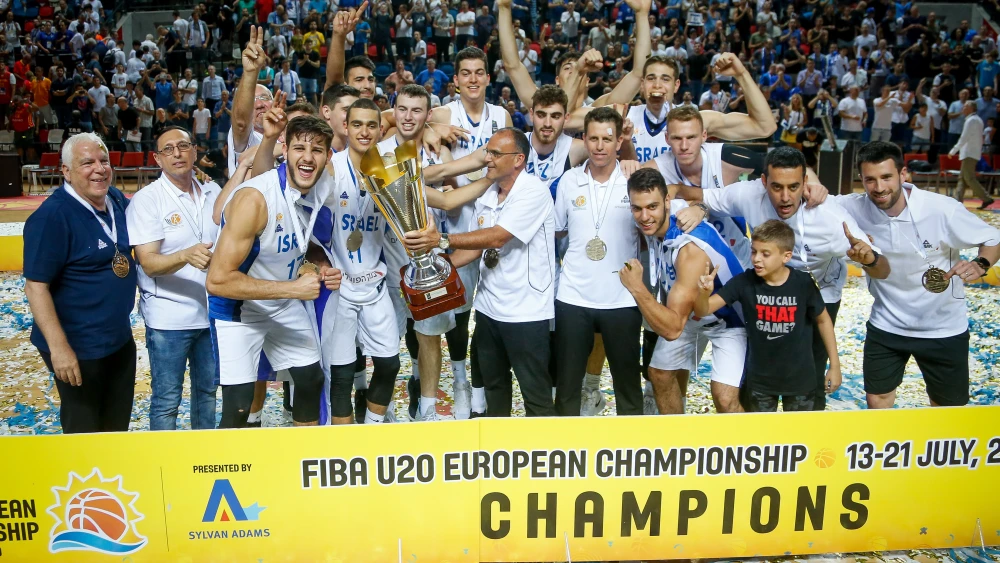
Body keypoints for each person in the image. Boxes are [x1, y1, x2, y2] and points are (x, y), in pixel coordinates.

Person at [677, 146, 890, 409]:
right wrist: (700, 207)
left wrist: (867, 259)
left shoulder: (830, 219)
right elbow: (697, 194)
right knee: (761, 358)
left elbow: (882, 268)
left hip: (819, 291)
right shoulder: (749, 194)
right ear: (763, 182)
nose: (786, 197)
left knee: (809, 372)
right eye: (777, 187)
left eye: (793, 187)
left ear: (806, 184)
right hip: (766, 287)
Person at [834, 141, 1000, 408]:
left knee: (948, 408)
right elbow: (812, 196)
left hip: (943, 327)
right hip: (886, 323)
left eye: (887, 177)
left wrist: (981, 264)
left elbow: (993, 237)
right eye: (870, 180)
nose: (879, 188)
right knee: (877, 398)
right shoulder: (852, 207)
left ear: (903, 174)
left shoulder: (941, 208)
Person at [404, 127, 557, 417]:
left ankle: (543, 455)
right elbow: (475, 249)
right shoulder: (488, 194)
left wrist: (442, 240)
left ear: (518, 159)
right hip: (488, 310)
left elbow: (497, 237)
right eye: (487, 151)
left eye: (496, 153)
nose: (488, 158)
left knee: (534, 394)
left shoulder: (533, 192)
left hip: (526, 312)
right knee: (493, 390)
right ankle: (499, 454)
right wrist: (435, 269)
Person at [206, 115, 340, 428]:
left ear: (327, 156)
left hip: (282, 302)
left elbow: (304, 241)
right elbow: (217, 280)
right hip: (238, 308)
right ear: (286, 150)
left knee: (310, 379)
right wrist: (292, 290)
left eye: (317, 150)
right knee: (238, 407)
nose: (308, 157)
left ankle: (302, 461)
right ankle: (239, 470)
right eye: (299, 148)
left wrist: (321, 264)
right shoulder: (255, 199)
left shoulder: (323, 187)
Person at [375, 84, 493, 421]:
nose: (408, 116)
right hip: (391, 267)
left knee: (430, 339)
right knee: (387, 348)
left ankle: (426, 410)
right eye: (402, 109)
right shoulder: (378, 155)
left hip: (432, 265)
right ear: (393, 112)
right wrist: (489, 180)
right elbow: (443, 196)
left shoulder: (439, 150)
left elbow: (451, 193)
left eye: (417, 111)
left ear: (428, 114)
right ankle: (379, 411)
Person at [23, 133, 137, 433]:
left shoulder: (115, 200)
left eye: (104, 161)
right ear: (66, 171)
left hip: (118, 338)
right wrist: (59, 349)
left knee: (116, 422)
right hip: (77, 345)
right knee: (84, 426)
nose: (99, 169)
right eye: (87, 163)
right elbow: (36, 286)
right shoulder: (52, 217)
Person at [428, 47, 513, 416]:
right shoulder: (445, 112)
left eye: (480, 72)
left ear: (488, 78)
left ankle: (483, 384)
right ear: (457, 80)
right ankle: (461, 380)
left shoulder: (502, 115)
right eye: (466, 73)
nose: (474, 79)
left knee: (491, 312)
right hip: (459, 219)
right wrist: (435, 126)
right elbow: (397, 117)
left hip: (494, 220)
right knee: (459, 313)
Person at [126, 126, 220, 430]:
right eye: (168, 149)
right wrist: (184, 255)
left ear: (195, 151)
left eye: (183, 146)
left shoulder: (212, 191)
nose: (177, 154)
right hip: (169, 319)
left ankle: (203, 459)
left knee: (207, 393)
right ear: (157, 158)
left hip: (211, 314)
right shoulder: (147, 200)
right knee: (167, 399)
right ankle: (163, 470)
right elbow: (149, 263)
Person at [551, 107, 643, 416]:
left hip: (622, 298)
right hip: (574, 296)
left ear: (619, 142)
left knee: (627, 386)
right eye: (593, 138)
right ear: (584, 140)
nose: (600, 146)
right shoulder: (569, 181)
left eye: (607, 138)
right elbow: (558, 230)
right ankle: (563, 453)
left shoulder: (634, 180)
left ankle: (633, 455)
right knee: (567, 386)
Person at [693, 220, 841, 411]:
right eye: (754, 251)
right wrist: (704, 294)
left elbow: (823, 320)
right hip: (760, 381)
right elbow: (702, 310)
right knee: (760, 436)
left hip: (800, 380)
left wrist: (834, 366)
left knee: (800, 434)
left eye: (765, 254)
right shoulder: (745, 282)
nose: (756, 259)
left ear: (786, 256)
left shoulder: (802, 283)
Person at [229, 26, 274, 175]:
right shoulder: (246, 138)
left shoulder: (289, 137)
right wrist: (250, 72)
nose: (260, 104)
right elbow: (241, 123)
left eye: (264, 98)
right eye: (253, 100)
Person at [950, 100, 992, 208]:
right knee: (962, 178)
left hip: (969, 153)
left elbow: (964, 138)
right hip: (973, 152)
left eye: (965, 107)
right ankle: (957, 200)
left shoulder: (971, 121)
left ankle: (986, 198)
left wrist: (953, 150)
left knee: (969, 178)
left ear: (970, 108)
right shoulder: (978, 120)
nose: (963, 108)